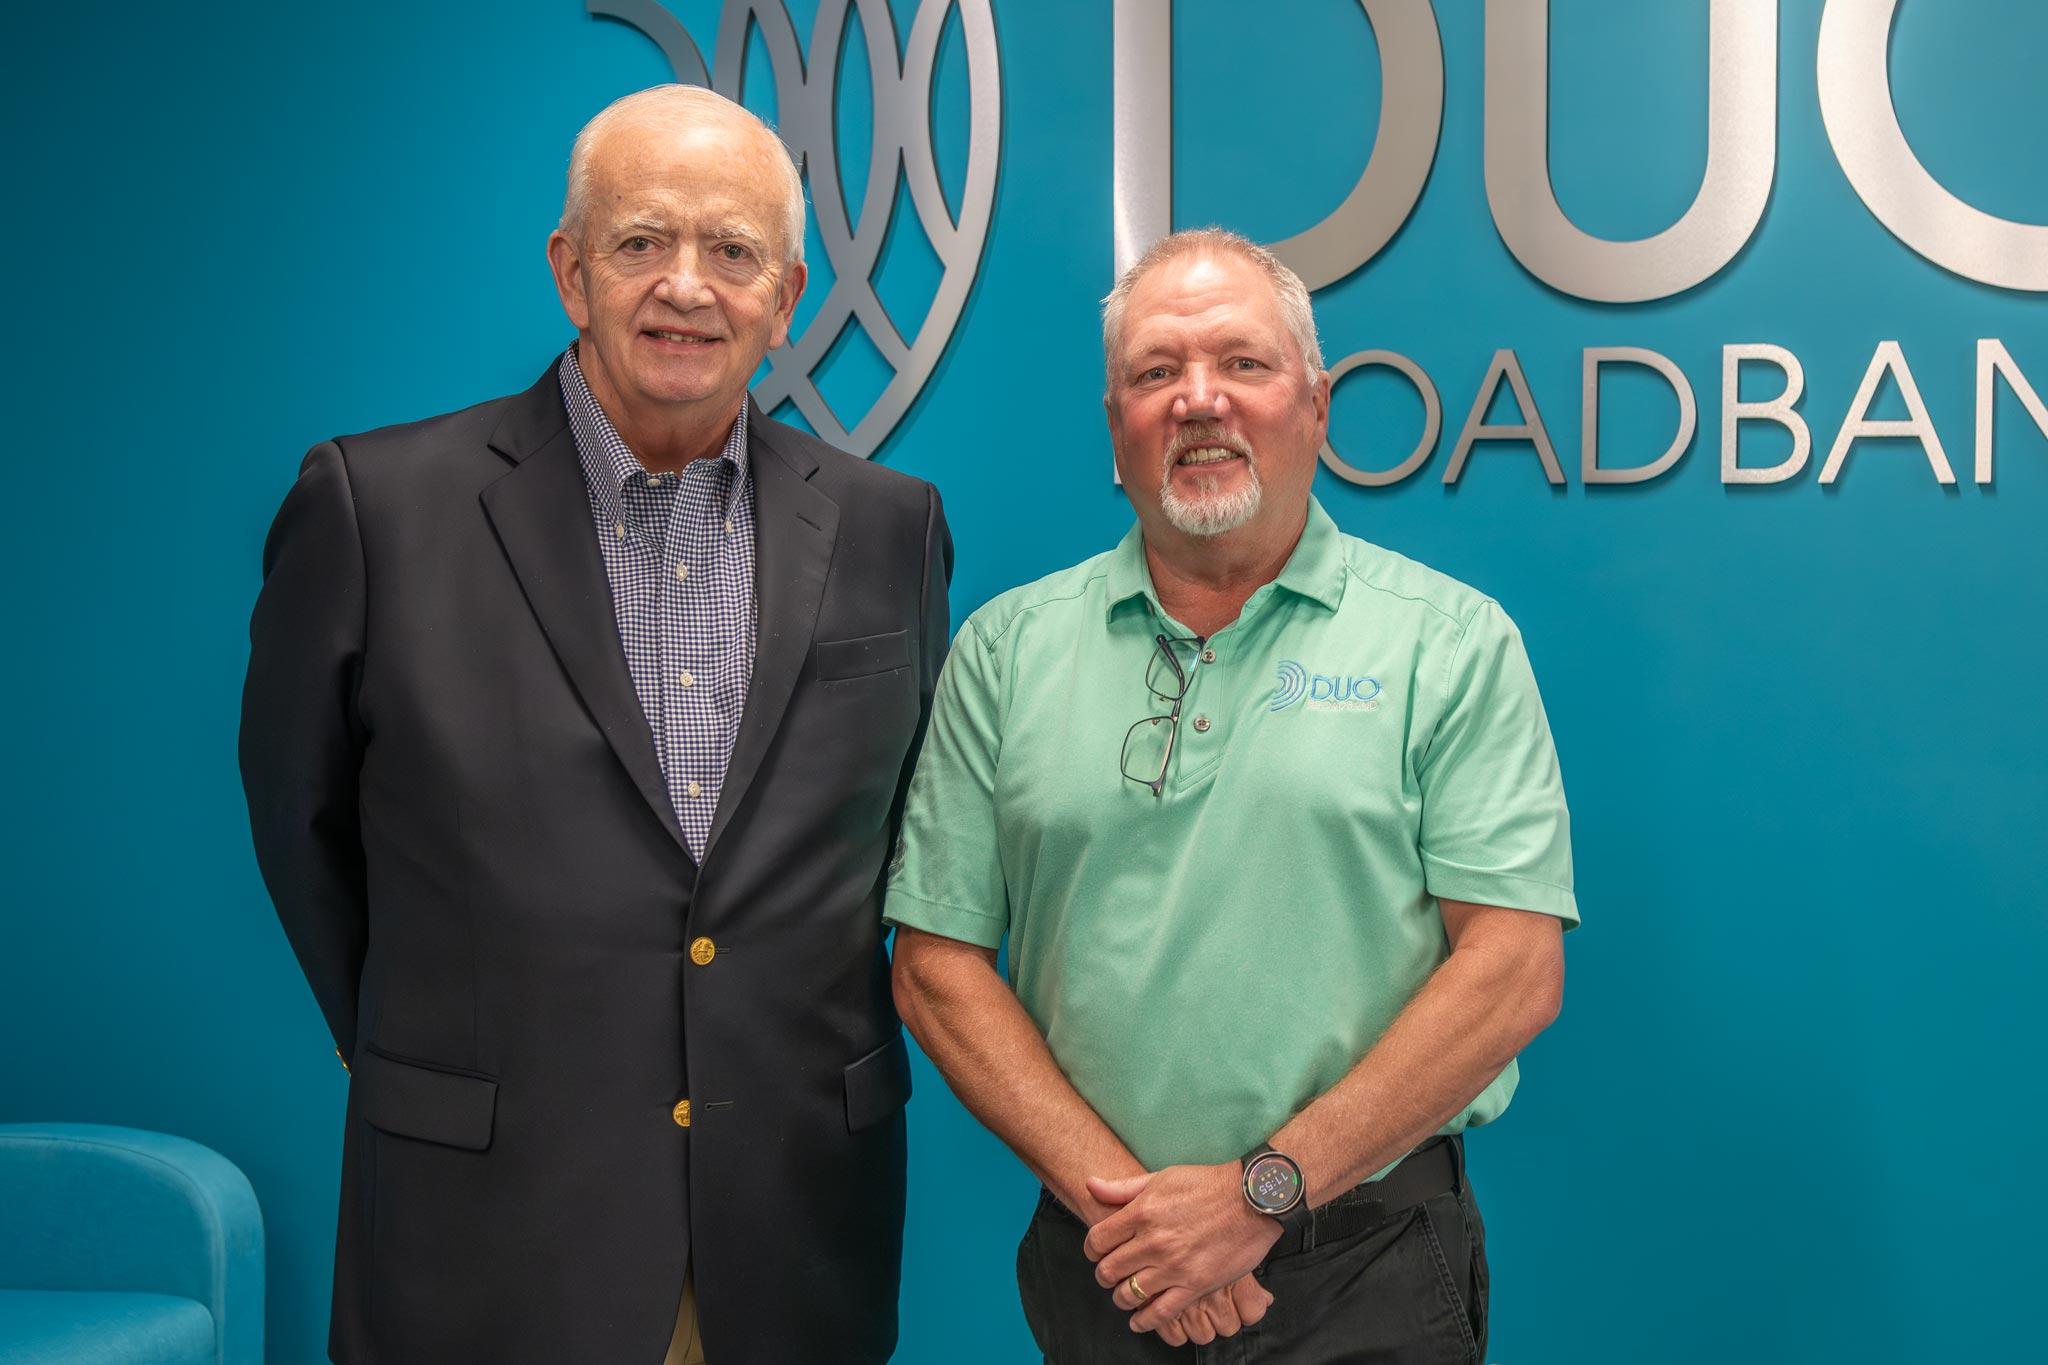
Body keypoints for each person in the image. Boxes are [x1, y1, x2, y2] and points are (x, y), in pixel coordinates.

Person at [240, 85, 950, 1365]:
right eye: (641, 242)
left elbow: (903, 831)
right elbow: (303, 825)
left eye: (731, 251)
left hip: (789, 1234)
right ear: (570, 272)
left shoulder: (889, 528)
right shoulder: (374, 509)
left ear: (785, 297)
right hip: (487, 1232)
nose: (686, 286)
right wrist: (420, 1036)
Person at [886, 227, 1574, 1362]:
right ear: (1115, 427)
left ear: (1315, 406)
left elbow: (1511, 971)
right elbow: (935, 966)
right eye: (1156, 371)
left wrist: (1258, 1194)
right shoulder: (1005, 651)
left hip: (1366, 1260)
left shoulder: (1448, 645)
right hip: (1107, 1258)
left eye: (1242, 364)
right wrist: (1143, 1225)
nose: (1198, 400)